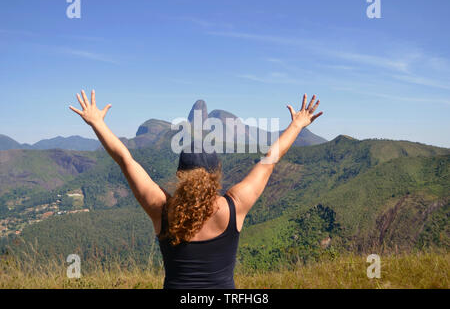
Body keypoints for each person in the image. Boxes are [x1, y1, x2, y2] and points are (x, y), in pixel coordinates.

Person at [70, 90, 323, 288]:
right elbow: (270, 159)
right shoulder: (234, 206)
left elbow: (126, 159)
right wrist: (298, 125)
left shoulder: (162, 210)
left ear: (180, 175)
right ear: (216, 175)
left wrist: (97, 123)